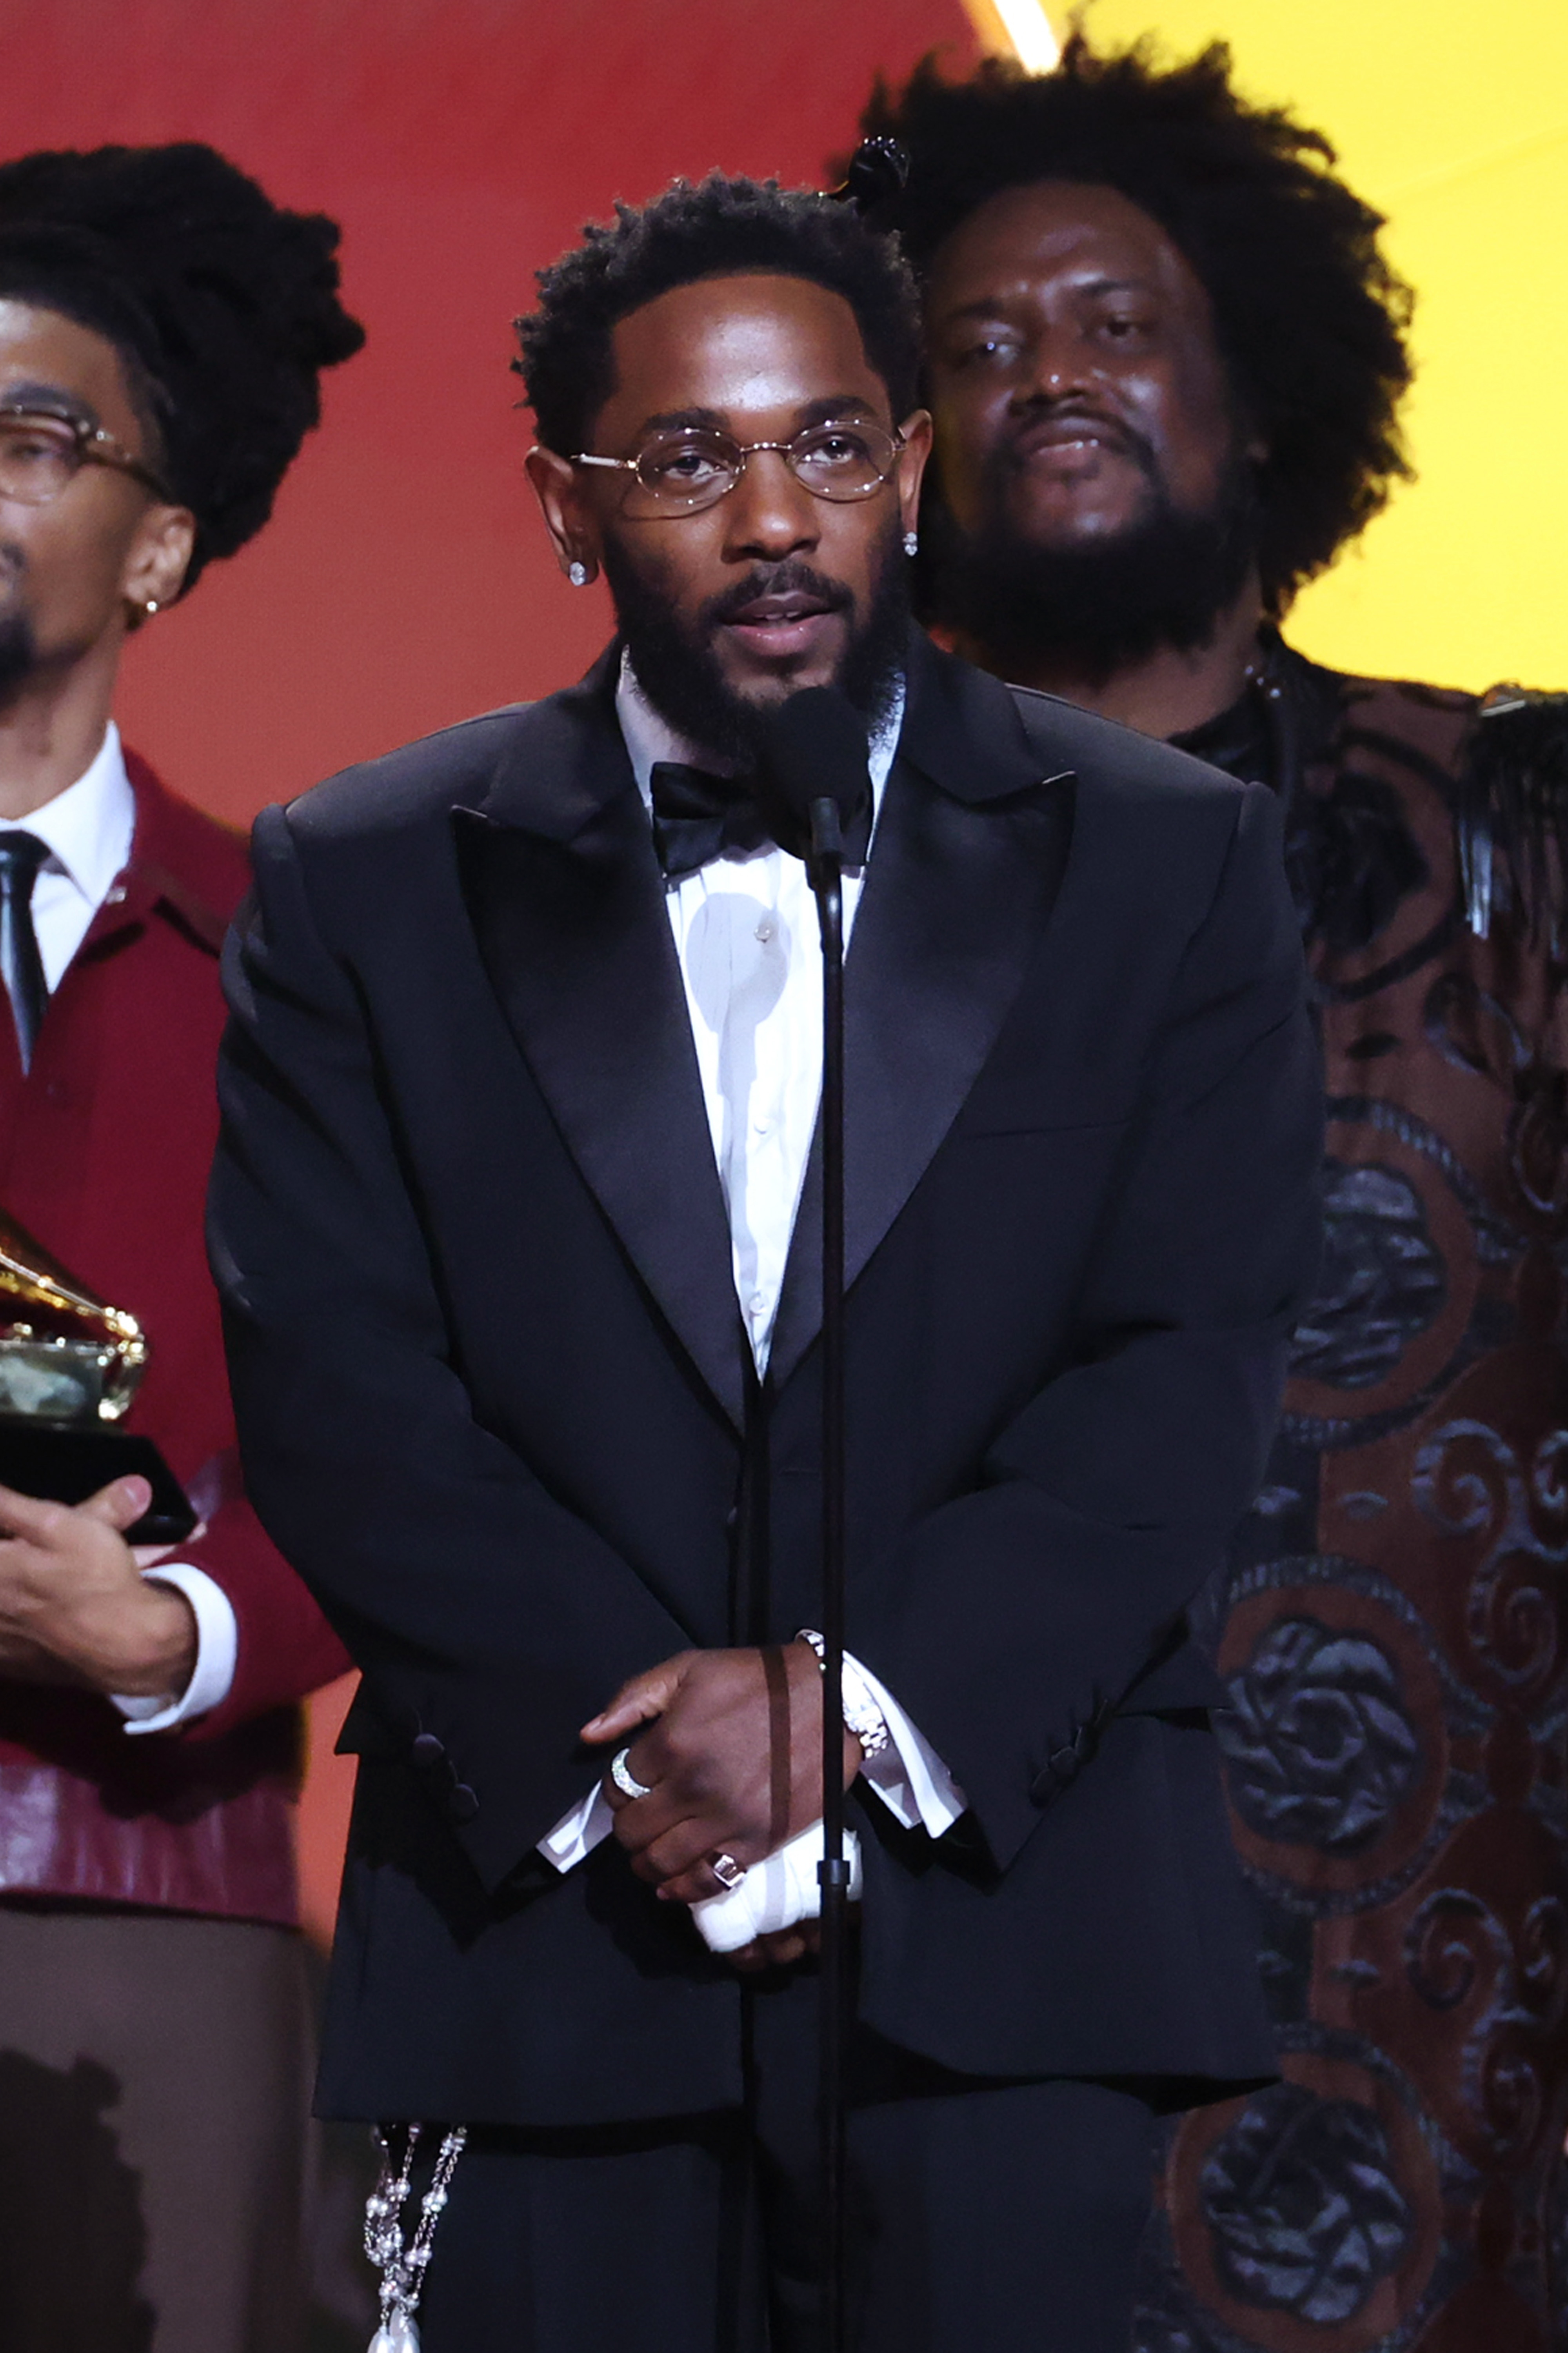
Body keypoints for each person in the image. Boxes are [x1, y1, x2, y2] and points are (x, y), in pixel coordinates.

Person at [209, 170, 1321, 2353]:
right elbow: (344, 1388)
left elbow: (1181, 1366)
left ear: (910, 466)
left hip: (1008, 1932)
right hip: (556, 1955)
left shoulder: (1172, 862)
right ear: (563, 500)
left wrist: (853, 1713)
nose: (777, 516)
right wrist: (645, 1758)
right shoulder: (364, 878)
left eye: (830, 443)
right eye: (691, 459)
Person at [859, 37, 1568, 2353]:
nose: (1046, 372)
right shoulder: (772, 901)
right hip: (939, 2057)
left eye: (1112, 321)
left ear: (1259, 400)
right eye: (974, 346)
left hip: (1453, 2050)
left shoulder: (1509, 835)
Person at [0, 142, 363, 2352]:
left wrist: (183, 1635)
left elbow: (433, 1439)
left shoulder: (316, 961)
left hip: (160, 1899)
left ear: (162, 543)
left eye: (32, 436)